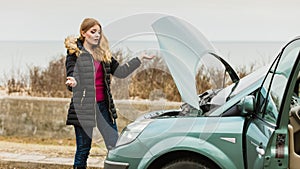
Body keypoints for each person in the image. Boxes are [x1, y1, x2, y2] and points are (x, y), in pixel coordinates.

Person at [64, 18, 154, 169]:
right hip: (83, 108)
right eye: (93, 32)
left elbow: (120, 72)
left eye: (99, 32)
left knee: (115, 148)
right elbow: (73, 74)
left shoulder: (103, 54)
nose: (97, 35)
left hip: (104, 107)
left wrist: (138, 59)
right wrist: (73, 82)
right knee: (83, 150)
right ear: (83, 33)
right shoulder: (75, 54)